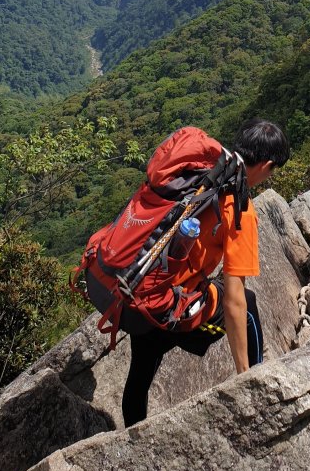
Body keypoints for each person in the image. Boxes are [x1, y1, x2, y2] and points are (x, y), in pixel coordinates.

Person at [121, 117, 290, 427]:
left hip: (141, 290)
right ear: (266, 166)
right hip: (171, 307)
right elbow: (235, 301)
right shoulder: (237, 206)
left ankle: (131, 439)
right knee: (250, 305)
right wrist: (244, 376)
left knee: (140, 375)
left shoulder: (194, 171)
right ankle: (256, 379)